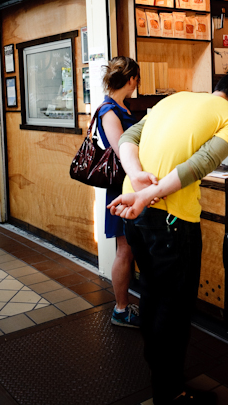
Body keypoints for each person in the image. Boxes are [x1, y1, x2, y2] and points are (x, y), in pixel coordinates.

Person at [108, 74, 228, 405]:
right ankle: (169, 393)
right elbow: (200, 164)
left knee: (152, 295)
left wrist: (136, 180)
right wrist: (151, 195)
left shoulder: (174, 99)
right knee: (172, 308)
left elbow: (129, 137)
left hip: (135, 210)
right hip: (171, 220)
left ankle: (162, 381)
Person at [96, 56, 141, 328]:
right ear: (132, 79)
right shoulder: (109, 110)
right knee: (124, 250)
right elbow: (120, 150)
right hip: (120, 187)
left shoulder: (119, 106)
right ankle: (121, 310)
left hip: (128, 186)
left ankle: (124, 306)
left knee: (129, 249)